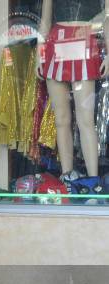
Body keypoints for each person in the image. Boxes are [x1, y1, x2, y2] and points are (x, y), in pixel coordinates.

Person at [37, 0, 109, 178]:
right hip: (57, 42)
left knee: (85, 120)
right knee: (61, 119)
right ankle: (66, 176)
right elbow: (45, 22)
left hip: (84, 40)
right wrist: (39, 56)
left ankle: (93, 180)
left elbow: (108, 18)